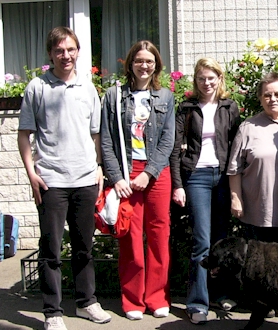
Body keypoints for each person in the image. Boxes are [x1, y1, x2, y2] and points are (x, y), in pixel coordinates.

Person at [18, 26, 111, 330]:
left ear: (78, 51)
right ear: (50, 54)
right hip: (52, 182)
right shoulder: (37, 88)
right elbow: (24, 134)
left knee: (84, 247)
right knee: (51, 250)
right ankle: (52, 312)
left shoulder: (88, 89)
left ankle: (87, 303)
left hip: (84, 179)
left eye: (71, 49)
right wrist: (32, 173)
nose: (66, 55)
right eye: (59, 50)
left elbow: (96, 133)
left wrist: (98, 167)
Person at [101, 40, 175, 321]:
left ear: (156, 65)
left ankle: (157, 297)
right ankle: (133, 299)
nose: (144, 65)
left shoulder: (165, 96)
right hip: (126, 173)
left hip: (156, 173)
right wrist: (117, 177)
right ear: (130, 63)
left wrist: (149, 172)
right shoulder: (114, 96)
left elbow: (168, 139)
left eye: (150, 61)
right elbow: (106, 140)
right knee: (130, 237)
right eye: (139, 60)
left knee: (159, 235)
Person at [169, 58, 241, 324]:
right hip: (197, 176)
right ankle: (197, 302)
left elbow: (236, 145)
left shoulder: (229, 107)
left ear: (219, 79)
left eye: (212, 78)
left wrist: (237, 184)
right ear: (196, 81)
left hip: (222, 177)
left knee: (222, 240)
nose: (207, 83)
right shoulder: (187, 108)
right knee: (201, 242)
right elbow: (176, 149)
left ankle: (220, 293)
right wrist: (178, 184)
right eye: (202, 78)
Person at [228, 72, 278, 243]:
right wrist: (236, 198)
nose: (273, 99)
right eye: (267, 95)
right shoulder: (247, 127)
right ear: (260, 98)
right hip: (258, 212)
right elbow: (234, 168)